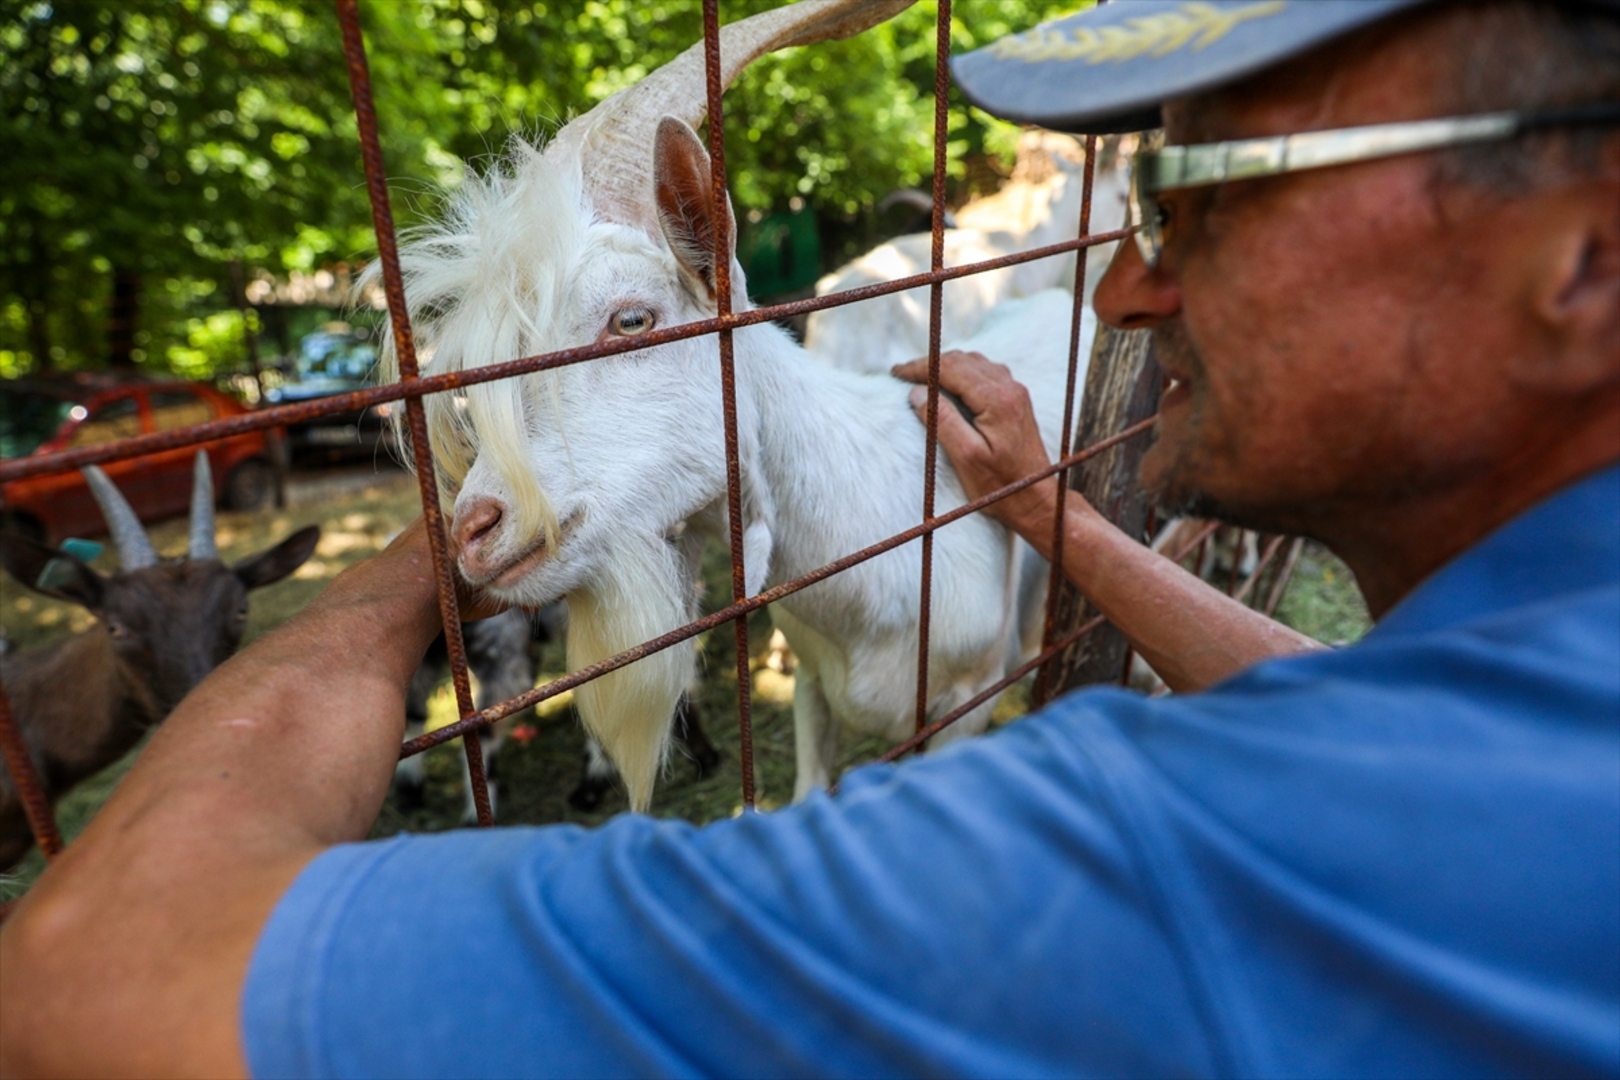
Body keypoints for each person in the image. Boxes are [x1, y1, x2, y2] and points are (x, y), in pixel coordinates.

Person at [2, 0, 1616, 1075]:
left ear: (1587, 254)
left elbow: (82, 980)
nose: (1125, 292)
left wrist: (391, 589)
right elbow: (1341, 713)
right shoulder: (1522, 697)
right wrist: (1055, 520)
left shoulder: (1158, 850)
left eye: (1209, 196)